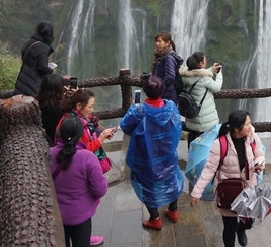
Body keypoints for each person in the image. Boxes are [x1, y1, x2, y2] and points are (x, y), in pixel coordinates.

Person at [190, 110, 265, 247]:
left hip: (248, 189)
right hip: (228, 192)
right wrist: (196, 192)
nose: (250, 127)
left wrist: (259, 163)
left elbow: (259, 154)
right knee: (229, 227)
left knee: (248, 222)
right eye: (247, 124)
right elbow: (209, 170)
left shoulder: (252, 137)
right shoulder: (220, 144)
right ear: (237, 128)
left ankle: (241, 229)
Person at [120, 76, 184, 230]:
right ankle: (173, 211)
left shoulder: (138, 111)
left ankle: (155, 218)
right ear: (162, 90)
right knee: (171, 178)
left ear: (145, 91)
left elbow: (125, 126)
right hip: (167, 151)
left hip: (146, 155)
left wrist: (134, 108)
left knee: (147, 183)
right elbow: (177, 126)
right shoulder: (170, 107)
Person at [50, 116, 108, 247]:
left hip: (56, 215)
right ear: (81, 136)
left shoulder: (48, 154)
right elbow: (100, 190)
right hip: (80, 215)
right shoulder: (88, 157)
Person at [58, 89, 117, 174]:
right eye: (90, 107)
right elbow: (80, 151)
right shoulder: (74, 125)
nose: (92, 110)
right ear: (79, 106)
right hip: (79, 167)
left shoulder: (80, 118)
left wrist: (103, 134)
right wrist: (99, 140)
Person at [180, 51, 223, 148]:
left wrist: (211, 70)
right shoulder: (204, 78)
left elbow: (198, 74)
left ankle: (191, 155)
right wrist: (219, 74)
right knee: (206, 146)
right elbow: (216, 88)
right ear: (201, 64)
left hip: (192, 118)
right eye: (205, 60)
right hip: (204, 120)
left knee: (192, 140)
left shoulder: (186, 76)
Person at [14, 21, 57, 97]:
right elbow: (42, 68)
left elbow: (29, 57)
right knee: (31, 102)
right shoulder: (43, 47)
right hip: (32, 84)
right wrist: (51, 69)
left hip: (22, 79)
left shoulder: (31, 41)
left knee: (19, 100)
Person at [149, 31, 183, 104]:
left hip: (167, 95)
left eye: (159, 41)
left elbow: (170, 77)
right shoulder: (161, 55)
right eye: (156, 41)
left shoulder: (168, 57)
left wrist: (159, 88)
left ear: (167, 43)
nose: (157, 43)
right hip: (165, 94)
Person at [37, 73, 66, 146]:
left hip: (41, 140)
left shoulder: (37, 103)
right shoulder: (60, 109)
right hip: (54, 143)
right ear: (59, 89)